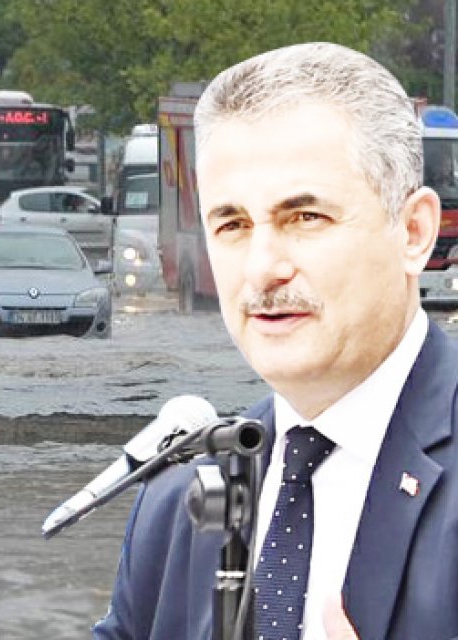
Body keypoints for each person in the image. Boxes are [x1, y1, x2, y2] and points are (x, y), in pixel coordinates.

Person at [93, 43, 458, 640]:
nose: (263, 268)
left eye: (305, 217)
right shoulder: (175, 505)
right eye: (232, 224)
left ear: (413, 232)